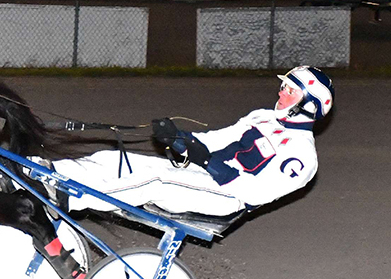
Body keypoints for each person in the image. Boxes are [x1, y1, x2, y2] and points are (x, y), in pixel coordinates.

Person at [48, 66, 334, 218]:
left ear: (309, 105)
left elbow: (256, 194)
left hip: (227, 197)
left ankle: (69, 198)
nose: (281, 93)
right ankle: (46, 171)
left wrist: (208, 162)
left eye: (290, 91)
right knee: (113, 158)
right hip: (202, 175)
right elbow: (216, 139)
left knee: (155, 179)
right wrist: (180, 139)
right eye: (283, 86)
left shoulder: (302, 157)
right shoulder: (262, 116)